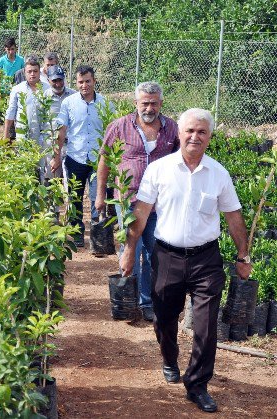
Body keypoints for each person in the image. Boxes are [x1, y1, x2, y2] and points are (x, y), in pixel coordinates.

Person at [119, 108, 252, 414]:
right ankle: (169, 357)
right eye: (189, 131)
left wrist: (243, 255)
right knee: (164, 319)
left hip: (206, 259)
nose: (195, 137)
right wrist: (129, 250)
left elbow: (234, 217)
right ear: (179, 133)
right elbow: (140, 213)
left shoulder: (219, 174)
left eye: (202, 132)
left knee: (206, 327)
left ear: (209, 137)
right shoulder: (160, 170)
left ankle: (197, 384)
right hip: (167, 257)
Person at [96, 81, 179, 322]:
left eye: (154, 103)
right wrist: (100, 196)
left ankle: (147, 302)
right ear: (136, 103)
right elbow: (104, 161)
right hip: (128, 201)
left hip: (159, 203)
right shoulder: (119, 127)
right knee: (132, 249)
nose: (149, 108)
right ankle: (128, 303)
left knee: (155, 253)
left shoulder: (172, 129)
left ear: (161, 103)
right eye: (145, 103)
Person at [51, 65, 113, 247]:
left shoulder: (105, 104)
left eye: (87, 81)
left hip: (97, 161)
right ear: (76, 83)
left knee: (97, 198)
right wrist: (56, 157)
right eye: (80, 82)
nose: (84, 85)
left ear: (94, 81)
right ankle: (77, 232)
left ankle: (96, 235)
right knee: (75, 197)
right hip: (74, 158)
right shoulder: (68, 103)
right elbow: (61, 132)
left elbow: (112, 132)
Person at [41, 64, 76, 183]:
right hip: (51, 143)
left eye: (60, 80)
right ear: (48, 80)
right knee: (52, 178)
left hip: (70, 142)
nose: (58, 83)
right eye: (54, 80)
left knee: (71, 180)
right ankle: (54, 201)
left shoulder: (74, 95)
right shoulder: (44, 97)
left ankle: (70, 201)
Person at [3, 55, 50, 142]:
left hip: (43, 135)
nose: (32, 74)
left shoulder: (48, 89)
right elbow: (11, 111)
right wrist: (6, 134)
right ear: (24, 73)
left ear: (39, 72)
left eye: (35, 71)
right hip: (23, 133)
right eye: (29, 71)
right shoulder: (17, 89)